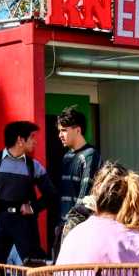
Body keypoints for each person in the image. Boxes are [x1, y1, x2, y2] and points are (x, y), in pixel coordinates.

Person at [0, 120, 57, 264]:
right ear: (20, 140)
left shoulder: (34, 167)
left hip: (24, 224)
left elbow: (51, 195)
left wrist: (33, 207)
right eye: (32, 137)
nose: (35, 142)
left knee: (35, 269)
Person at [54, 106, 101, 255]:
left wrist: (71, 226)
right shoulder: (67, 157)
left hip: (79, 228)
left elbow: (85, 197)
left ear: (78, 130)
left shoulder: (90, 155)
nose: (60, 135)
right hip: (63, 225)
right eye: (59, 131)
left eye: (64, 130)